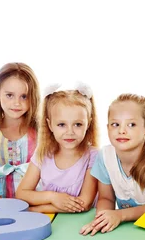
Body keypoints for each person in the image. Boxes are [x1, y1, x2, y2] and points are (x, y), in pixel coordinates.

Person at [80, 93, 145, 236]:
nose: (121, 130)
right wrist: (101, 219)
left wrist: (119, 215)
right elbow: (106, 198)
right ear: (108, 128)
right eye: (115, 124)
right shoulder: (105, 156)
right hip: (128, 229)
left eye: (131, 125)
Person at [16, 82, 99, 213]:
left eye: (77, 124)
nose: (70, 132)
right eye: (61, 125)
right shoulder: (43, 153)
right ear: (50, 125)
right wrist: (52, 197)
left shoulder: (94, 156)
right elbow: (21, 193)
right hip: (51, 223)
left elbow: (84, 203)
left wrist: (40, 209)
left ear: (88, 123)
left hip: (82, 224)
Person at [0, 62, 41, 198]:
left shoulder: (40, 132)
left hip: (35, 200)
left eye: (24, 96)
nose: (16, 103)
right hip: (0, 202)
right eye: (9, 95)